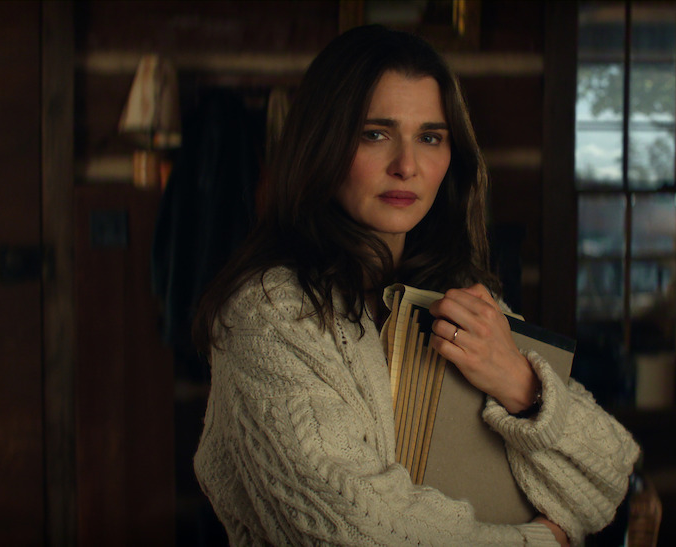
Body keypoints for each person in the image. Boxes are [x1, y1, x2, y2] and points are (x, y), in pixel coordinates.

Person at [192, 24, 639, 546]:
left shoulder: (459, 295)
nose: (407, 166)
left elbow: (606, 482)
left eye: (430, 137)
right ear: (323, 143)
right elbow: (353, 530)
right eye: (374, 133)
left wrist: (521, 383)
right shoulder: (270, 312)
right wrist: (541, 542)